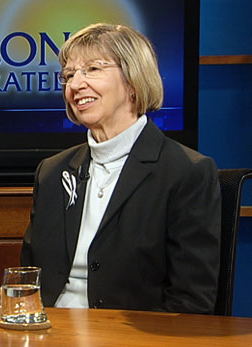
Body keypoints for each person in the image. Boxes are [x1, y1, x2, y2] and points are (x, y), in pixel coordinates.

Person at [21, 23, 220, 314]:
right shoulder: (51, 172)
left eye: (92, 69)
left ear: (132, 81)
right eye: (69, 75)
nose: (75, 85)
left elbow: (191, 302)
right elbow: (29, 281)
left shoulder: (186, 172)